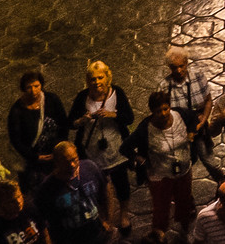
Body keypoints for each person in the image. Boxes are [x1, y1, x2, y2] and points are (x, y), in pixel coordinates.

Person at [67, 62, 134, 230]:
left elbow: (129, 118)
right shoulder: (83, 97)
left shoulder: (117, 93)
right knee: (98, 186)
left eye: (100, 77)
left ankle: (124, 214)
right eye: (92, 79)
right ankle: (105, 217)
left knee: (121, 183)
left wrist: (113, 115)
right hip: (92, 152)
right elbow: (70, 123)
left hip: (115, 148)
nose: (96, 82)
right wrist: (82, 120)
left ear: (107, 77)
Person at [128, 91, 194, 238]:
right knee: (161, 210)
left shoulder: (181, 115)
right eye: (158, 111)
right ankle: (159, 237)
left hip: (183, 171)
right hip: (160, 176)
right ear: (152, 112)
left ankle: (185, 230)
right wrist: (141, 160)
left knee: (184, 202)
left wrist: (192, 132)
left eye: (166, 109)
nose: (163, 114)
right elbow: (125, 147)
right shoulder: (145, 129)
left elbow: (194, 119)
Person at [159, 48, 223, 183]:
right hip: (178, 135)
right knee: (183, 167)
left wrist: (203, 119)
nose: (178, 71)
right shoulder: (164, 87)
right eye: (174, 67)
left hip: (199, 129)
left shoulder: (198, 77)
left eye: (181, 66)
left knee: (210, 161)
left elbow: (208, 101)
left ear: (186, 63)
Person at [5, 74, 68, 190]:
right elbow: (15, 139)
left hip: (54, 155)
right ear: (23, 88)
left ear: (41, 85)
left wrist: (60, 148)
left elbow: (63, 124)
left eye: (36, 86)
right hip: (33, 161)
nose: (33, 91)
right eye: (29, 87)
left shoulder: (52, 100)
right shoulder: (17, 111)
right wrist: (35, 157)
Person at [35, 144, 107, 244]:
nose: (72, 165)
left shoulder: (90, 168)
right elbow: (43, 219)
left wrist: (107, 220)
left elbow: (105, 190)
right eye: (66, 162)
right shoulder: (47, 188)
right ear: (56, 163)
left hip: (96, 233)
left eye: (74, 159)